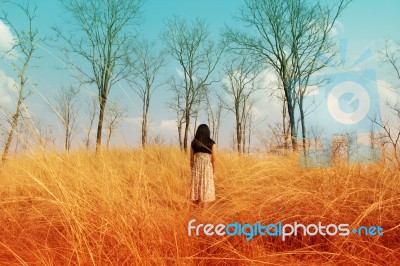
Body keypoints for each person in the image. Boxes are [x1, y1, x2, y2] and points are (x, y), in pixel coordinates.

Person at [190, 124, 217, 205]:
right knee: (206, 190)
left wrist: (192, 171)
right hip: (207, 170)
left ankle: (195, 213)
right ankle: (204, 214)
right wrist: (214, 172)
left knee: (196, 190)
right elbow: (214, 159)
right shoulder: (212, 143)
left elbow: (191, 159)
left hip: (197, 169)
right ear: (208, 132)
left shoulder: (194, 143)